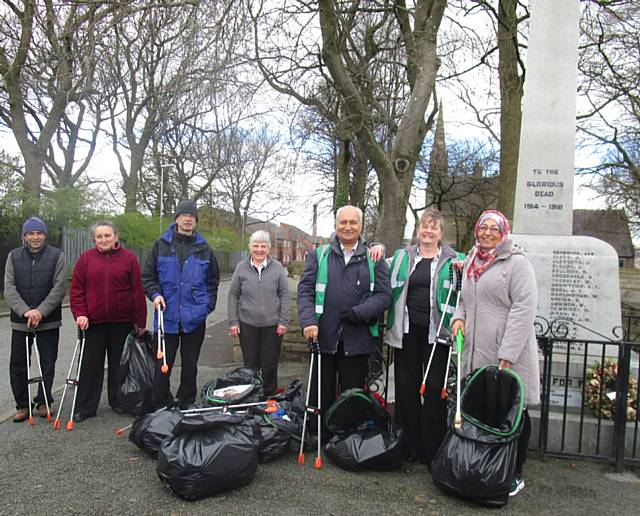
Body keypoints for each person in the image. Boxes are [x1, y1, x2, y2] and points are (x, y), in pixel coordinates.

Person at [451, 209, 539, 497]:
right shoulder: (472, 261)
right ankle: (487, 466)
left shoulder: (517, 263)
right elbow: (463, 299)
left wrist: (508, 353)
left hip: (507, 352)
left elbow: (524, 308)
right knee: (485, 409)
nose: (488, 233)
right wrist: (458, 319)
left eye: (495, 229)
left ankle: (515, 471)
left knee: (512, 412)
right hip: (476, 348)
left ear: (504, 233)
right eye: (483, 227)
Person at [381, 208, 463, 464]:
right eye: (424, 227)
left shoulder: (455, 259)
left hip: (437, 334)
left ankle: (431, 448)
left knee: (435, 389)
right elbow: (379, 270)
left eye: (433, 228)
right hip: (407, 332)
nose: (428, 231)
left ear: (440, 234)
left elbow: (478, 270)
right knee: (406, 388)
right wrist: (376, 247)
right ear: (417, 231)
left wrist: (464, 267)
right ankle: (408, 444)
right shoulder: (402, 257)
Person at [297, 205, 392, 426]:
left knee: (352, 395)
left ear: (361, 226)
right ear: (336, 225)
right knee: (320, 392)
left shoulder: (374, 258)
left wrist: (359, 313)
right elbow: (305, 291)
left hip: (357, 339)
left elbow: (384, 295)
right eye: (343, 222)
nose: (348, 227)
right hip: (323, 336)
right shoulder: (319, 256)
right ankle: (316, 433)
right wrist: (308, 321)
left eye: (353, 222)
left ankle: (346, 437)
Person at [142, 199, 220, 410]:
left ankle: (186, 402)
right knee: (163, 365)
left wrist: (206, 307)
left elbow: (213, 281)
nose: (188, 219)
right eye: (184, 215)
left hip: (194, 318)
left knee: (190, 366)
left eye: (192, 216)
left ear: (196, 221)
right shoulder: (161, 245)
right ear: (176, 218)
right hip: (166, 318)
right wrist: (155, 294)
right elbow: (148, 277)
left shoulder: (204, 248)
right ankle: (159, 403)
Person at [69, 221, 147, 421]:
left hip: (121, 322)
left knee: (119, 365)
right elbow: (76, 290)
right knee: (89, 366)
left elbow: (137, 292)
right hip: (93, 323)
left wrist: (140, 322)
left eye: (107, 235)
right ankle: (85, 407)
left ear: (116, 236)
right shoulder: (85, 259)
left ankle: (118, 401)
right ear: (94, 239)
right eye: (99, 236)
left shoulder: (129, 259)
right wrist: (80, 314)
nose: (103, 240)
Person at [4, 217, 66, 423]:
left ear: (45, 235)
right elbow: (9, 288)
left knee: (47, 362)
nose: (35, 237)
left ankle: (43, 402)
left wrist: (40, 312)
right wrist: (26, 312)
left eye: (39, 233)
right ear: (24, 236)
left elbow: (59, 288)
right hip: (21, 322)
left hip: (48, 321)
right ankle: (22, 405)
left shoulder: (57, 255)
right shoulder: (13, 256)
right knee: (18, 364)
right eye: (31, 233)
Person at [228, 230, 290, 396]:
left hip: (272, 326)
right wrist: (233, 322)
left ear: (269, 248)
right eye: (256, 245)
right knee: (250, 364)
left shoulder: (278, 268)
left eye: (263, 246)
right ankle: (251, 396)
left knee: (270, 364)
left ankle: (269, 395)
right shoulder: (241, 268)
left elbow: (285, 294)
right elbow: (233, 295)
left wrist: (284, 321)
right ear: (250, 247)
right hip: (247, 324)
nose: (259, 249)